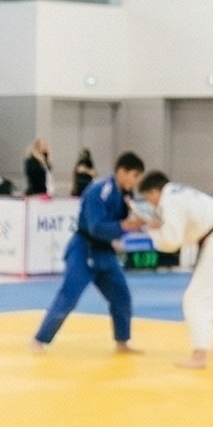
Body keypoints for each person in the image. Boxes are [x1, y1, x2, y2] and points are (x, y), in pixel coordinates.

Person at [32, 150, 142, 355]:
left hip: (104, 251)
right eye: (135, 176)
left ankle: (122, 341)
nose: (135, 182)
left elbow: (122, 223)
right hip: (84, 248)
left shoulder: (125, 194)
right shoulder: (99, 190)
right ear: (122, 171)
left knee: (121, 296)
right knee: (69, 296)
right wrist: (125, 226)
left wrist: (131, 226)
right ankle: (40, 339)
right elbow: (96, 227)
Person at [137, 172, 213, 369]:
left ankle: (200, 355)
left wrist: (153, 230)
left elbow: (172, 242)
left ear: (155, 191)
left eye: (148, 197)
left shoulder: (169, 200)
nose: (149, 202)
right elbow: (187, 233)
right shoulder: (182, 193)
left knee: (195, 299)